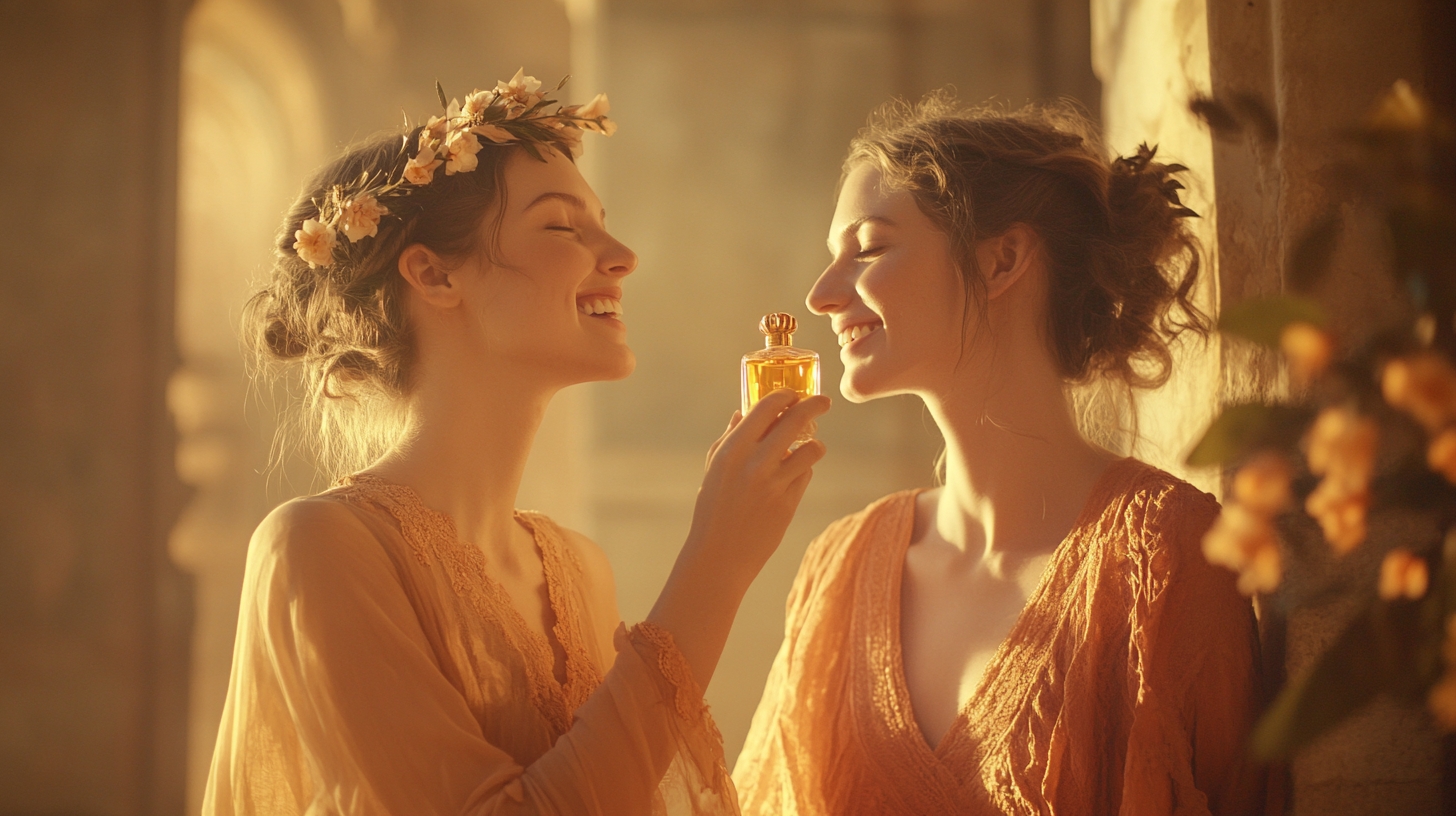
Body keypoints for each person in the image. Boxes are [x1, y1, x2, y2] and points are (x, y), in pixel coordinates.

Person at [202, 70, 828, 816]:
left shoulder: (578, 570)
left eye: (603, 220)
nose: (622, 254)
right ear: (433, 274)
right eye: (564, 226)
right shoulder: (319, 547)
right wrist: (716, 564)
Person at [732, 95, 1266, 815]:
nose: (822, 295)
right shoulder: (839, 568)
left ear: (1003, 259)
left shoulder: (1163, 559)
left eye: (869, 247)